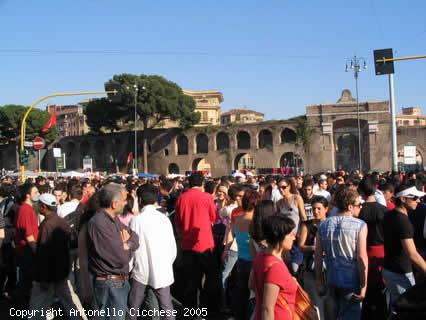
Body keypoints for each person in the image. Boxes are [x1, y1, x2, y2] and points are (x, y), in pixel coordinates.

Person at [87, 183, 139, 320]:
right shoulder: (99, 223)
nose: (126, 203)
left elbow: (134, 236)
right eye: (123, 199)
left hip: (118, 283)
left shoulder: (114, 219)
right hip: (110, 285)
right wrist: (127, 247)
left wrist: (127, 244)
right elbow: (120, 257)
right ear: (114, 204)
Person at [28, 193, 84, 320]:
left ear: (43, 206)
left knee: (37, 307)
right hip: (61, 272)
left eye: (38, 205)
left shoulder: (47, 225)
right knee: (69, 302)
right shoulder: (60, 222)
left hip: (48, 275)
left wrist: (43, 278)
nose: (36, 207)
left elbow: (44, 254)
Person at [315, 188, 368, 320]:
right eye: (358, 205)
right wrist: (364, 285)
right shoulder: (360, 225)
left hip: (331, 279)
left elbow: (317, 256)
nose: (360, 207)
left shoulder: (324, 225)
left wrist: (320, 281)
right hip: (351, 281)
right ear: (350, 206)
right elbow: (361, 257)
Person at [175, 173, 221, 314]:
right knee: (210, 279)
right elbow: (214, 217)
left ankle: (192, 312)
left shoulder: (181, 198)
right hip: (205, 243)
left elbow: (178, 222)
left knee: (191, 281)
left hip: (188, 244)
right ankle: (208, 310)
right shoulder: (207, 197)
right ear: (202, 183)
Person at [128, 184, 177, 320]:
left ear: (140, 200)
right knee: (166, 307)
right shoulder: (164, 218)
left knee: (134, 307)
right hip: (162, 268)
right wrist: (168, 263)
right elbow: (172, 247)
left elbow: (132, 247)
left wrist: (130, 266)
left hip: (141, 269)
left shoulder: (136, 220)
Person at [383, 185, 426, 306]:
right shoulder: (402, 221)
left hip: (390, 269)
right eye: (415, 197)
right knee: (404, 310)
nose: (418, 200)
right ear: (402, 199)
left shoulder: (389, 214)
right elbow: (412, 254)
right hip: (400, 273)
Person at [252, 215, 297, 320]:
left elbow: (251, 284)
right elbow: (267, 309)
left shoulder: (260, 256)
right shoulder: (276, 267)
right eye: (290, 234)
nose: (294, 237)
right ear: (280, 237)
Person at [224, 189, 260, 320]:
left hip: (241, 260)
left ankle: (238, 315)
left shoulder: (237, 219)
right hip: (253, 263)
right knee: (253, 295)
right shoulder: (256, 222)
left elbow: (232, 235)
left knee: (241, 292)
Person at [357, 177, 387, 319]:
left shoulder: (359, 211)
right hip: (381, 250)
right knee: (381, 286)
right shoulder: (384, 210)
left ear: (361, 191)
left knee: (366, 284)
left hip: (363, 249)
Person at [298, 196, 328, 319]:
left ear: (326, 209)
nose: (316, 211)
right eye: (314, 208)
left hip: (329, 269)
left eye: (319, 208)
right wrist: (315, 248)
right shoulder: (307, 225)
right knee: (315, 302)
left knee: (329, 301)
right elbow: (301, 246)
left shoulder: (330, 223)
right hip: (311, 268)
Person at [13, 182, 40, 307]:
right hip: (27, 251)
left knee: (26, 282)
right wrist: (37, 252)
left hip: (25, 250)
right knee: (26, 283)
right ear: (28, 195)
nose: (38, 194)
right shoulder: (26, 210)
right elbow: (29, 236)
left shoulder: (26, 209)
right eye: (36, 192)